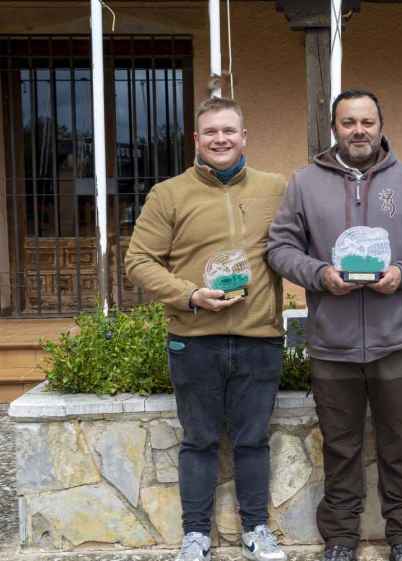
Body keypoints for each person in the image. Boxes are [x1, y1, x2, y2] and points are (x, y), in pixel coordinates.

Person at [266, 89, 402, 561]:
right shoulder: (305, 182)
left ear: (381, 125)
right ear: (334, 128)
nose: (358, 130)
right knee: (341, 447)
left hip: (396, 342)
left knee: (398, 444)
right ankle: (341, 538)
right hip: (332, 344)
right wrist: (320, 275)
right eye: (348, 122)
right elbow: (280, 248)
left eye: (367, 121)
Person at [125, 97, 287, 561]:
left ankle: (257, 530)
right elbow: (138, 260)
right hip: (193, 338)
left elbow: (296, 244)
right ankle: (195, 535)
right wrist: (189, 295)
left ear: (244, 137)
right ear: (197, 139)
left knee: (253, 439)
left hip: (259, 337)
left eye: (229, 131)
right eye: (211, 132)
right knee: (198, 440)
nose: (221, 139)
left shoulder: (275, 188)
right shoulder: (168, 194)